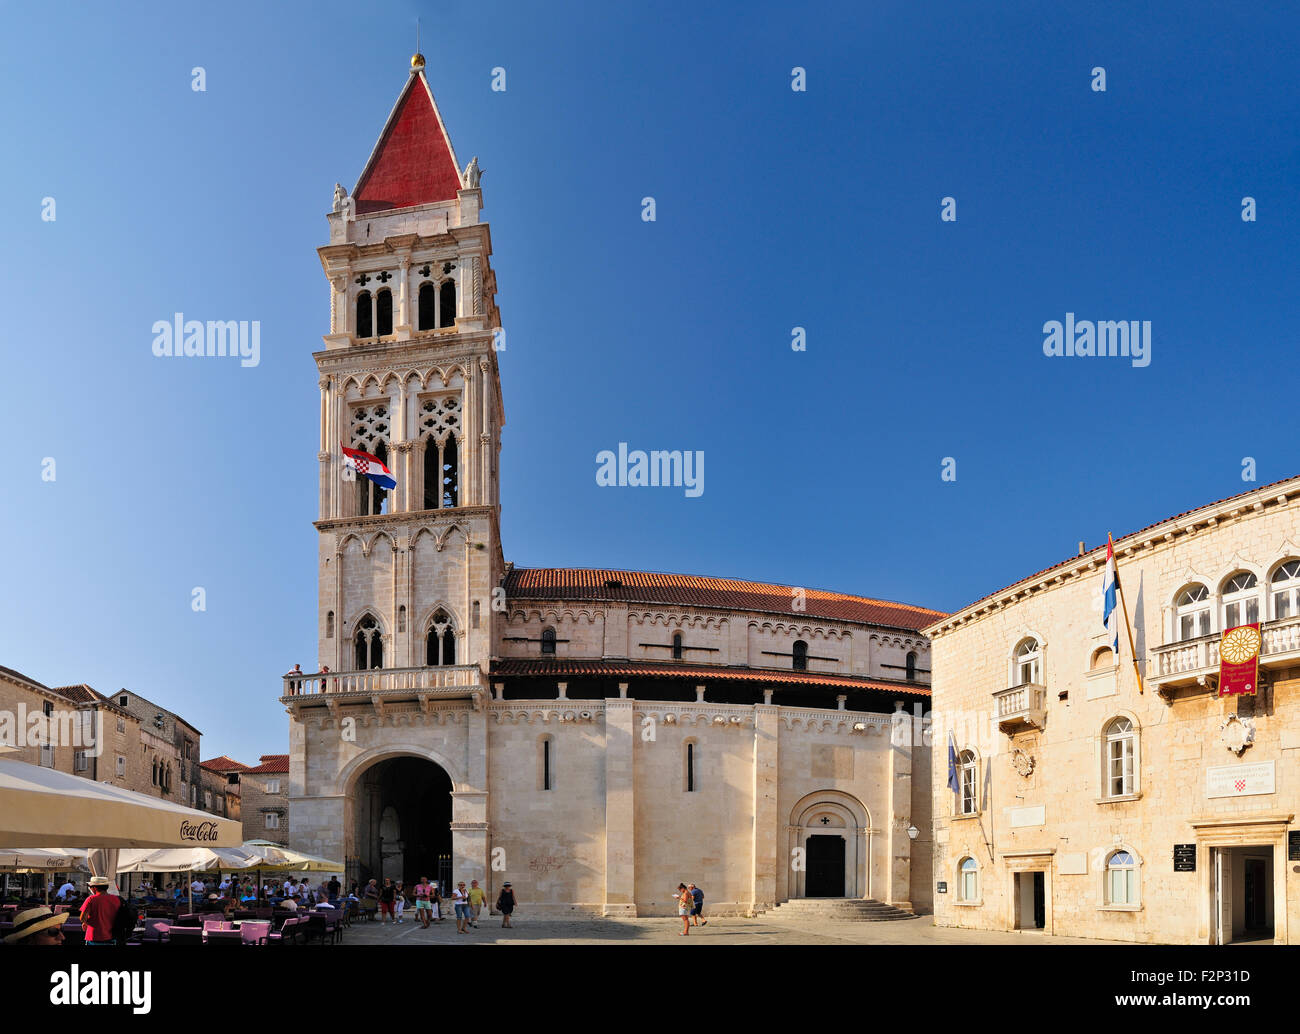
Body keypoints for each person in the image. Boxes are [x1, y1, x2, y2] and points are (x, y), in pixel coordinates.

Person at [80, 876, 121, 946]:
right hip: (112, 936)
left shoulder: (91, 899)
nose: (89, 888)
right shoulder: (116, 899)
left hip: (94, 936)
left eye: (90, 886)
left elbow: (83, 918)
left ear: (94, 888)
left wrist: (86, 923)